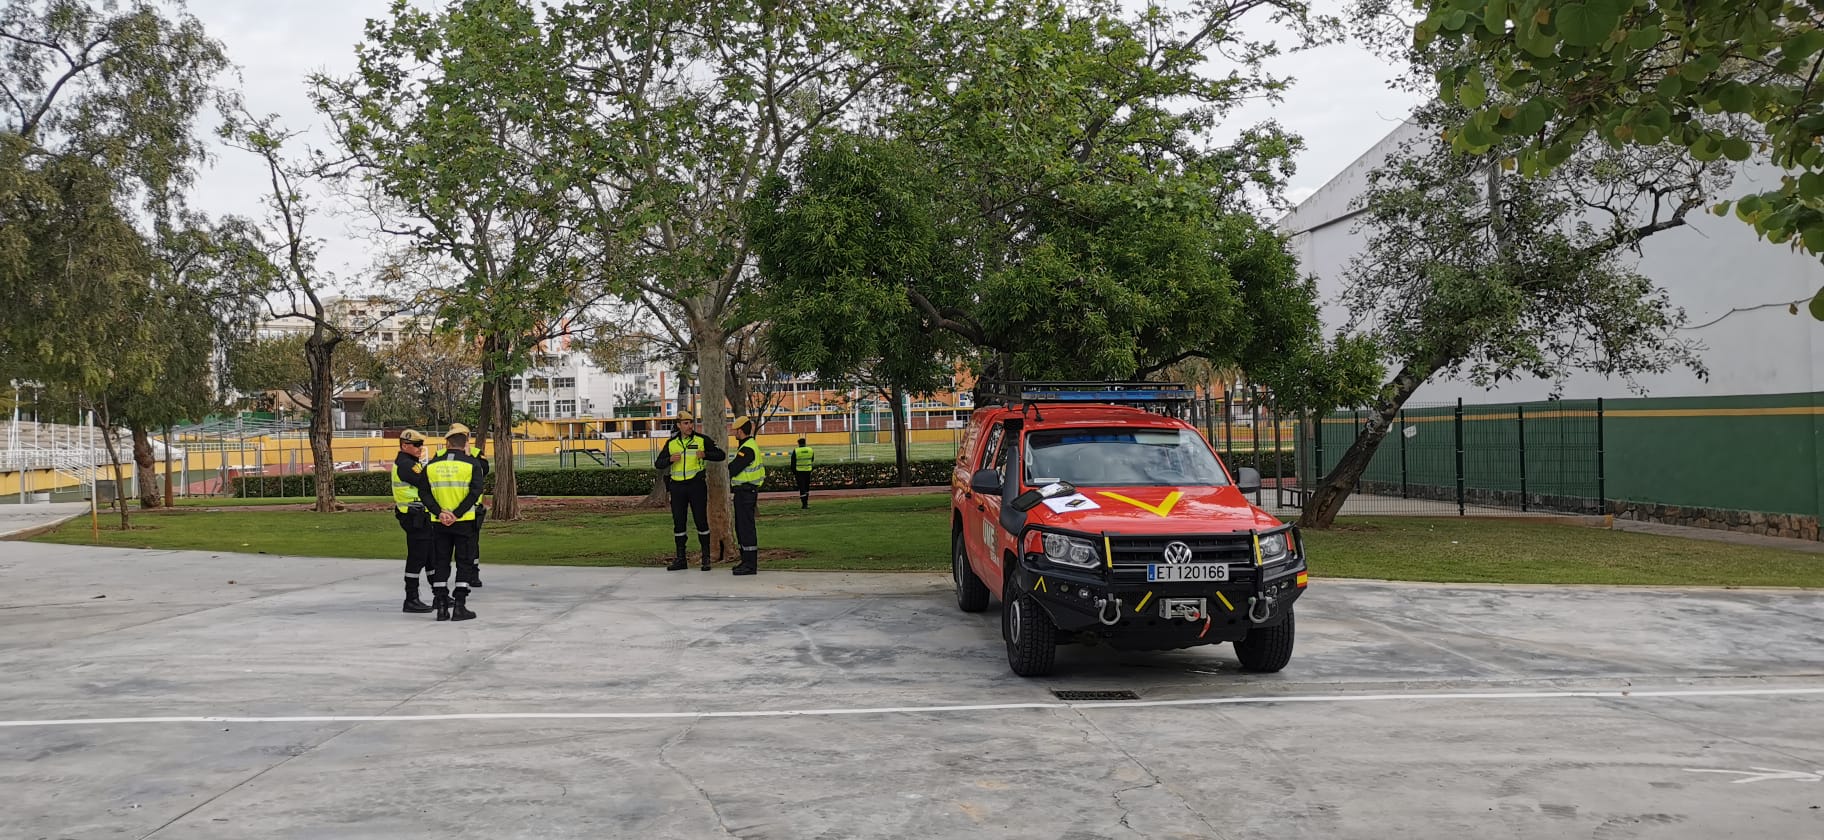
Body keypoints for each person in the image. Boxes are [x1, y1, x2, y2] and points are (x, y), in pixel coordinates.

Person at [425, 425, 486, 621]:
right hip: (464, 521)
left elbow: (423, 492)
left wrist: (440, 512)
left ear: (447, 443)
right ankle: (459, 606)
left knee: (441, 562)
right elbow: (475, 492)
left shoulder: (432, 465)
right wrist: (457, 514)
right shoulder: (471, 464)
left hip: (439, 521)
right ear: (465, 443)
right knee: (464, 562)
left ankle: (441, 607)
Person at [654, 410, 724, 571]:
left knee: (701, 521)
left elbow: (720, 455)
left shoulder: (701, 440)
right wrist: (669, 459)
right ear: (678, 425)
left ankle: (706, 559)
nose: (690, 426)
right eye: (686, 423)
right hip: (677, 487)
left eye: (691, 422)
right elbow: (658, 463)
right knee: (679, 523)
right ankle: (681, 559)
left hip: (696, 486)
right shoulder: (671, 443)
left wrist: (705, 454)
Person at [390, 429, 441, 613]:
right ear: (405, 446)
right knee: (417, 557)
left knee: (430, 556)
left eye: (421, 445)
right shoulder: (405, 464)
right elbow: (424, 482)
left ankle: (439, 594)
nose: (421, 448)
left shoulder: (411, 462)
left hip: (420, 515)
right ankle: (411, 598)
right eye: (417, 445)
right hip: (413, 516)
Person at [727, 415, 765, 576]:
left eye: (735, 430)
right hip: (743, 493)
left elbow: (733, 469)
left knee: (746, 528)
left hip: (746, 492)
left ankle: (750, 564)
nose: (733, 433)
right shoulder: (746, 446)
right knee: (741, 527)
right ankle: (745, 560)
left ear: (740, 431)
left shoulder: (747, 448)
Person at [790, 437, 814, 509]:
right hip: (808, 471)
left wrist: (794, 472)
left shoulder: (796, 451)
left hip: (799, 472)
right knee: (806, 487)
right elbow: (812, 459)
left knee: (802, 488)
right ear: (805, 443)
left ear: (799, 444)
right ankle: (806, 502)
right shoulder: (810, 450)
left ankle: (804, 504)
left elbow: (793, 462)